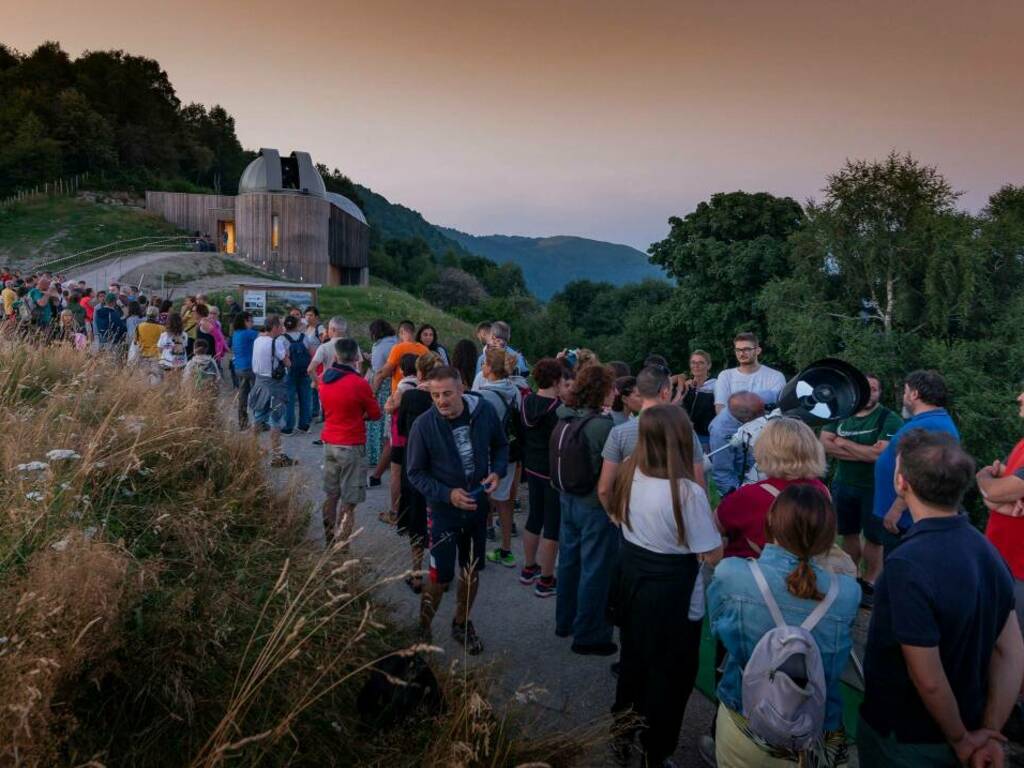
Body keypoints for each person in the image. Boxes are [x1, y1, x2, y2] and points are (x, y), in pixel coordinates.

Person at [858, 430, 1024, 767]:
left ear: (901, 482)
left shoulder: (906, 565)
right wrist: (987, 732)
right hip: (967, 725)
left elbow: (928, 678)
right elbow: (1010, 652)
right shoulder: (988, 553)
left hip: (906, 738)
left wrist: (961, 740)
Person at [709, 485, 861, 767]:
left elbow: (717, 627)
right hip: (817, 729)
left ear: (771, 523)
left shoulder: (733, 574)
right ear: (829, 535)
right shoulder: (848, 593)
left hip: (745, 720)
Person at [607, 406, 723, 768]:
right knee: (672, 675)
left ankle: (622, 733)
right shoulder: (686, 492)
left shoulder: (628, 471)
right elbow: (711, 554)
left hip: (632, 580)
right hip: (672, 593)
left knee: (634, 661)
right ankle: (656, 750)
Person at [406, 366, 508, 655]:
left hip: (476, 509)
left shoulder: (483, 411)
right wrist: (448, 494)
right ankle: (422, 628)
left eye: (447, 393)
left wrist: (498, 472)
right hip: (443, 513)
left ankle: (461, 623)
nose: (441, 401)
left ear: (462, 388)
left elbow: (501, 445)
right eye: (435, 395)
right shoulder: (424, 425)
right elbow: (414, 473)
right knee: (440, 577)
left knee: (471, 570)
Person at [554, 364, 618, 656]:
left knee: (569, 562)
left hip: (566, 498)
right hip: (593, 504)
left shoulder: (564, 417)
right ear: (603, 390)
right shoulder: (603, 426)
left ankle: (564, 621)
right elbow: (611, 473)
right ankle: (589, 634)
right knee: (595, 568)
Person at [819, 373, 902, 594]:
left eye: (874, 389)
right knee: (849, 533)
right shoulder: (841, 413)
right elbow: (825, 445)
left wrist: (843, 442)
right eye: (865, 388)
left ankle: (871, 582)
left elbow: (879, 456)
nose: (869, 393)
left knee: (875, 539)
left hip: (875, 488)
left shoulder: (888, 418)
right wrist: (865, 452)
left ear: (880, 392)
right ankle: (851, 577)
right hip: (843, 484)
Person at [598, 365, 707, 514]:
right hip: (676, 514)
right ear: (665, 393)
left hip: (634, 518)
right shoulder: (685, 431)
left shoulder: (619, 433)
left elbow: (604, 489)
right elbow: (698, 481)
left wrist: (615, 517)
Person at [715, 418, 828, 559]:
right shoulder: (821, 490)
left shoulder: (750, 495)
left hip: (754, 573)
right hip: (810, 571)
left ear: (765, 450)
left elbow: (716, 527)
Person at [873, 370, 959, 552]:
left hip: (905, 521)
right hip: (906, 518)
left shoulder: (928, 426)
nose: (904, 397)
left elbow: (922, 473)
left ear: (914, 394)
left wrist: (896, 509)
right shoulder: (931, 422)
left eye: (905, 392)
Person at [317, 338, 382, 545]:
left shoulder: (325, 378)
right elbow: (375, 414)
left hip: (330, 442)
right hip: (352, 444)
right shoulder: (359, 384)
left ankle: (329, 539)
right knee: (349, 501)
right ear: (356, 357)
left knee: (331, 494)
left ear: (336, 357)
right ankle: (342, 546)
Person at [520, 358, 570, 597]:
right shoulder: (558, 410)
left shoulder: (527, 401)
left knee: (534, 516)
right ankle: (546, 580)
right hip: (552, 471)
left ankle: (529, 567)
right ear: (555, 380)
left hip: (531, 466)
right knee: (552, 524)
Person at [977, 389, 1024, 637]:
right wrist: (999, 499)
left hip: (1020, 575)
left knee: (1014, 650)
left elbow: (996, 490)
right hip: (1001, 564)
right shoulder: (1022, 444)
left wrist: (984, 480)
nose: (1019, 397)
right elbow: (995, 494)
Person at [395, 351, 442, 593]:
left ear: (419, 372)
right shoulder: (447, 399)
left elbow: (401, 428)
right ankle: (440, 571)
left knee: (416, 522)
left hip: (414, 465)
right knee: (438, 521)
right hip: (440, 468)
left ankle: (415, 573)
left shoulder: (411, 396)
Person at [476, 348, 525, 568]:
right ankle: (506, 549)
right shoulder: (515, 390)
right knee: (504, 502)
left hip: (487, 454)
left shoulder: (482, 395)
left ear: (488, 368)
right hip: (508, 453)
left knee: (483, 500)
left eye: (484, 365)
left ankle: (477, 548)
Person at [248, 315, 297, 468]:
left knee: (258, 417)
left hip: (259, 382)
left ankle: (252, 449)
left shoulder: (257, 340)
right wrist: (288, 356)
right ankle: (277, 455)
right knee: (276, 420)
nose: (282, 329)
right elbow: (288, 363)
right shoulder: (277, 343)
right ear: (275, 327)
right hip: (274, 385)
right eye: (280, 326)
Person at [707, 391, 765, 495]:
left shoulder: (754, 402)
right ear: (747, 419)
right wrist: (740, 497)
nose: (765, 415)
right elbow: (722, 473)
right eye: (762, 413)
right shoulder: (721, 432)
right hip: (745, 480)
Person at [713, 332, 786, 414]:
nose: (741, 353)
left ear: (758, 350)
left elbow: (780, 409)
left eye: (746, 349)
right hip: (732, 425)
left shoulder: (775, 376)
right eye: (738, 350)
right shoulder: (725, 376)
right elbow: (720, 408)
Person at [366, 319, 398, 467]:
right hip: (394, 385)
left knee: (377, 421)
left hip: (382, 387)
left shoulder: (380, 346)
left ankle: (376, 457)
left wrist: (372, 393)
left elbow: (379, 373)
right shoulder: (396, 342)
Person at [281, 315, 313, 435]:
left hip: (289, 372)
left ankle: (289, 427)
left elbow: (282, 356)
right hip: (304, 371)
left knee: (289, 400)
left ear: (285, 326)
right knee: (305, 398)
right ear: (297, 325)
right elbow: (311, 353)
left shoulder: (281, 339)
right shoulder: (304, 337)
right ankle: (304, 425)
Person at [680, 349, 717, 450]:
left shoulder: (715, 386)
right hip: (684, 435)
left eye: (701, 363)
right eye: (693, 362)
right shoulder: (685, 386)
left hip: (705, 437)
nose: (696, 366)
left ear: (708, 366)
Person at [473, 320, 529, 385]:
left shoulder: (483, 358)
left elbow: (477, 382)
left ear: (492, 336)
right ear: (508, 337)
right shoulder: (517, 356)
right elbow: (525, 373)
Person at [231, 312, 259, 429]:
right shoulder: (249, 333)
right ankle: (259, 422)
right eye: (251, 321)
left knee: (243, 396)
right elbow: (265, 336)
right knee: (258, 395)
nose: (252, 324)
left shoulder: (236, 333)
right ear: (245, 321)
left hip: (238, 367)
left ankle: (242, 422)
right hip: (250, 368)